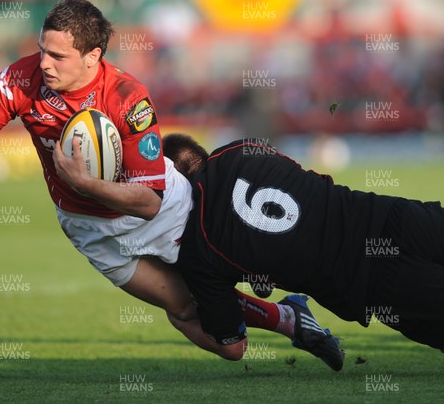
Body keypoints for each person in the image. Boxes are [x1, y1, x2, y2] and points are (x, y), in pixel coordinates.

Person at [0, 0, 342, 369]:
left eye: (57, 55)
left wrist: (85, 182)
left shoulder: (127, 98)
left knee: (229, 280)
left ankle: (307, 295)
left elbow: (151, 202)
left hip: (163, 211)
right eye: (41, 49)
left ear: (93, 55)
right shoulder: (18, 81)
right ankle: (287, 317)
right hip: (90, 231)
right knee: (203, 327)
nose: (44, 63)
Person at [163, 133, 444, 352]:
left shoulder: (197, 248)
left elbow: (232, 343)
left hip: (369, 279)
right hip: (392, 214)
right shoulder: (240, 150)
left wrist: (180, 319)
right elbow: (306, 184)